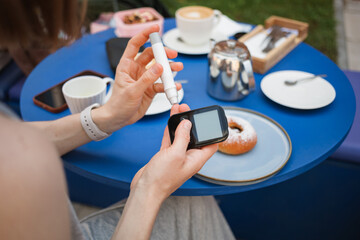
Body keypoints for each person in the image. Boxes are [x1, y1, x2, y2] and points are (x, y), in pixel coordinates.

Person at [0, 1, 235, 239]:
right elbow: (15, 151)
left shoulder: (14, 143)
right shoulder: (19, 168)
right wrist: (149, 189)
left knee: (196, 203)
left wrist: (107, 116)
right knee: (193, 203)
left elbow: (14, 143)